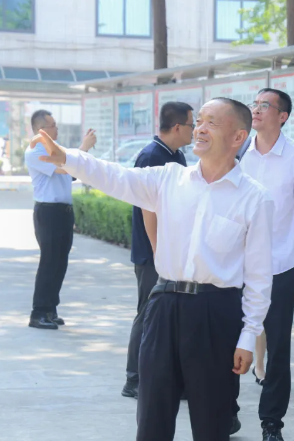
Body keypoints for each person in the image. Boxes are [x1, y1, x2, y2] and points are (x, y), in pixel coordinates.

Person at [32, 97, 273, 441]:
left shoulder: (255, 198)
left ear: (238, 137)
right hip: (163, 307)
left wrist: (248, 336)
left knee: (212, 421)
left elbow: (259, 277)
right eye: (199, 121)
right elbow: (115, 176)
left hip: (216, 314)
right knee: (152, 419)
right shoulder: (169, 179)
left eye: (212, 123)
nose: (200, 129)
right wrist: (68, 158)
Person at [233, 87, 294, 441]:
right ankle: (226, 412)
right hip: (234, 267)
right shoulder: (239, 151)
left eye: (264, 105)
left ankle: (271, 424)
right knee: (227, 340)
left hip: (279, 267)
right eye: (254, 104)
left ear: (282, 116)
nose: (256, 109)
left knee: (278, 349)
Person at [121, 101, 194, 399]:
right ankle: (134, 378)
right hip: (153, 253)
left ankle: (169, 378)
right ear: (177, 127)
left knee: (170, 315)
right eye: (192, 125)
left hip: (172, 251)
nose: (195, 130)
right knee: (148, 313)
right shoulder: (151, 156)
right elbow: (146, 209)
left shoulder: (177, 155)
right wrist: (157, 251)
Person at [25, 110, 96, 330]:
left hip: (63, 212)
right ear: (42, 130)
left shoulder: (56, 148)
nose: (57, 129)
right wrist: (83, 147)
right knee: (49, 262)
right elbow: (63, 168)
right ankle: (38, 312)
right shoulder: (35, 150)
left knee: (60, 262)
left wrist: (83, 151)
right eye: (53, 125)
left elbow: (72, 172)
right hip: (48, 213)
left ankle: (50, 309)